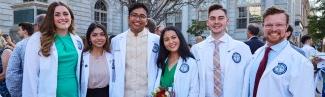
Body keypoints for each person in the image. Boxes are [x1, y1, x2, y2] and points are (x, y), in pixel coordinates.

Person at [242, 7, 314, 97]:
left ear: (286, 27)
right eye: (269, 25)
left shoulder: (301, 63)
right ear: (263, 26)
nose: (274, 29)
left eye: (279, 24)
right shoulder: (257, 54)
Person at [22, 1, 84, 97]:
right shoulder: (38, 39)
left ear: (71, 17)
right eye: (57, 15)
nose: (62, 18)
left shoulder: (77, 40)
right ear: (51, 18)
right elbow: (30, 76)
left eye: (65, 14)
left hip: (74, 93)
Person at [191, 4, 252, 97]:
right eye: (212, 18)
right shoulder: (196, 50)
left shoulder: (242, 49)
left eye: (220, 18)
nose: (216, 22)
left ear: (227, 21)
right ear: (207, 22)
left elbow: (249, 81)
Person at [109, 3, 160, 97]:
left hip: (149, 93)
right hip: (123, 93)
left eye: (142, 16)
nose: (137, 19)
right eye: (134, 15)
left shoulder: (157, 41)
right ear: (128, 18)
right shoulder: (116, 40)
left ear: (146, 21)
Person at [153, 26, 199, 97]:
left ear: (180, 38)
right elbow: (157, 88)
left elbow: (194, 91)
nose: (171, 42)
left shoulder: (190, 62)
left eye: (173, 37)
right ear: (163, 43)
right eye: (166, 39)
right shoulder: (161, 61)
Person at [80, 23, 112, 97]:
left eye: (102, 34)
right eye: (94, 35)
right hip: (88, 94)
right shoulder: (82, 57)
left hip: (107, 93)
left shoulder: (111, 57)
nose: (99, 38)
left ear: (106, 37)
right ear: (89, 38)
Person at [6, 22, 35, 97]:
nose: (18, 32)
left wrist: (15, 92)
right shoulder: (41, 43)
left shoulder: (20, 45)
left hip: (24, 90)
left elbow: (12, 72)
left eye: (19, 30)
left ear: (25, 31)